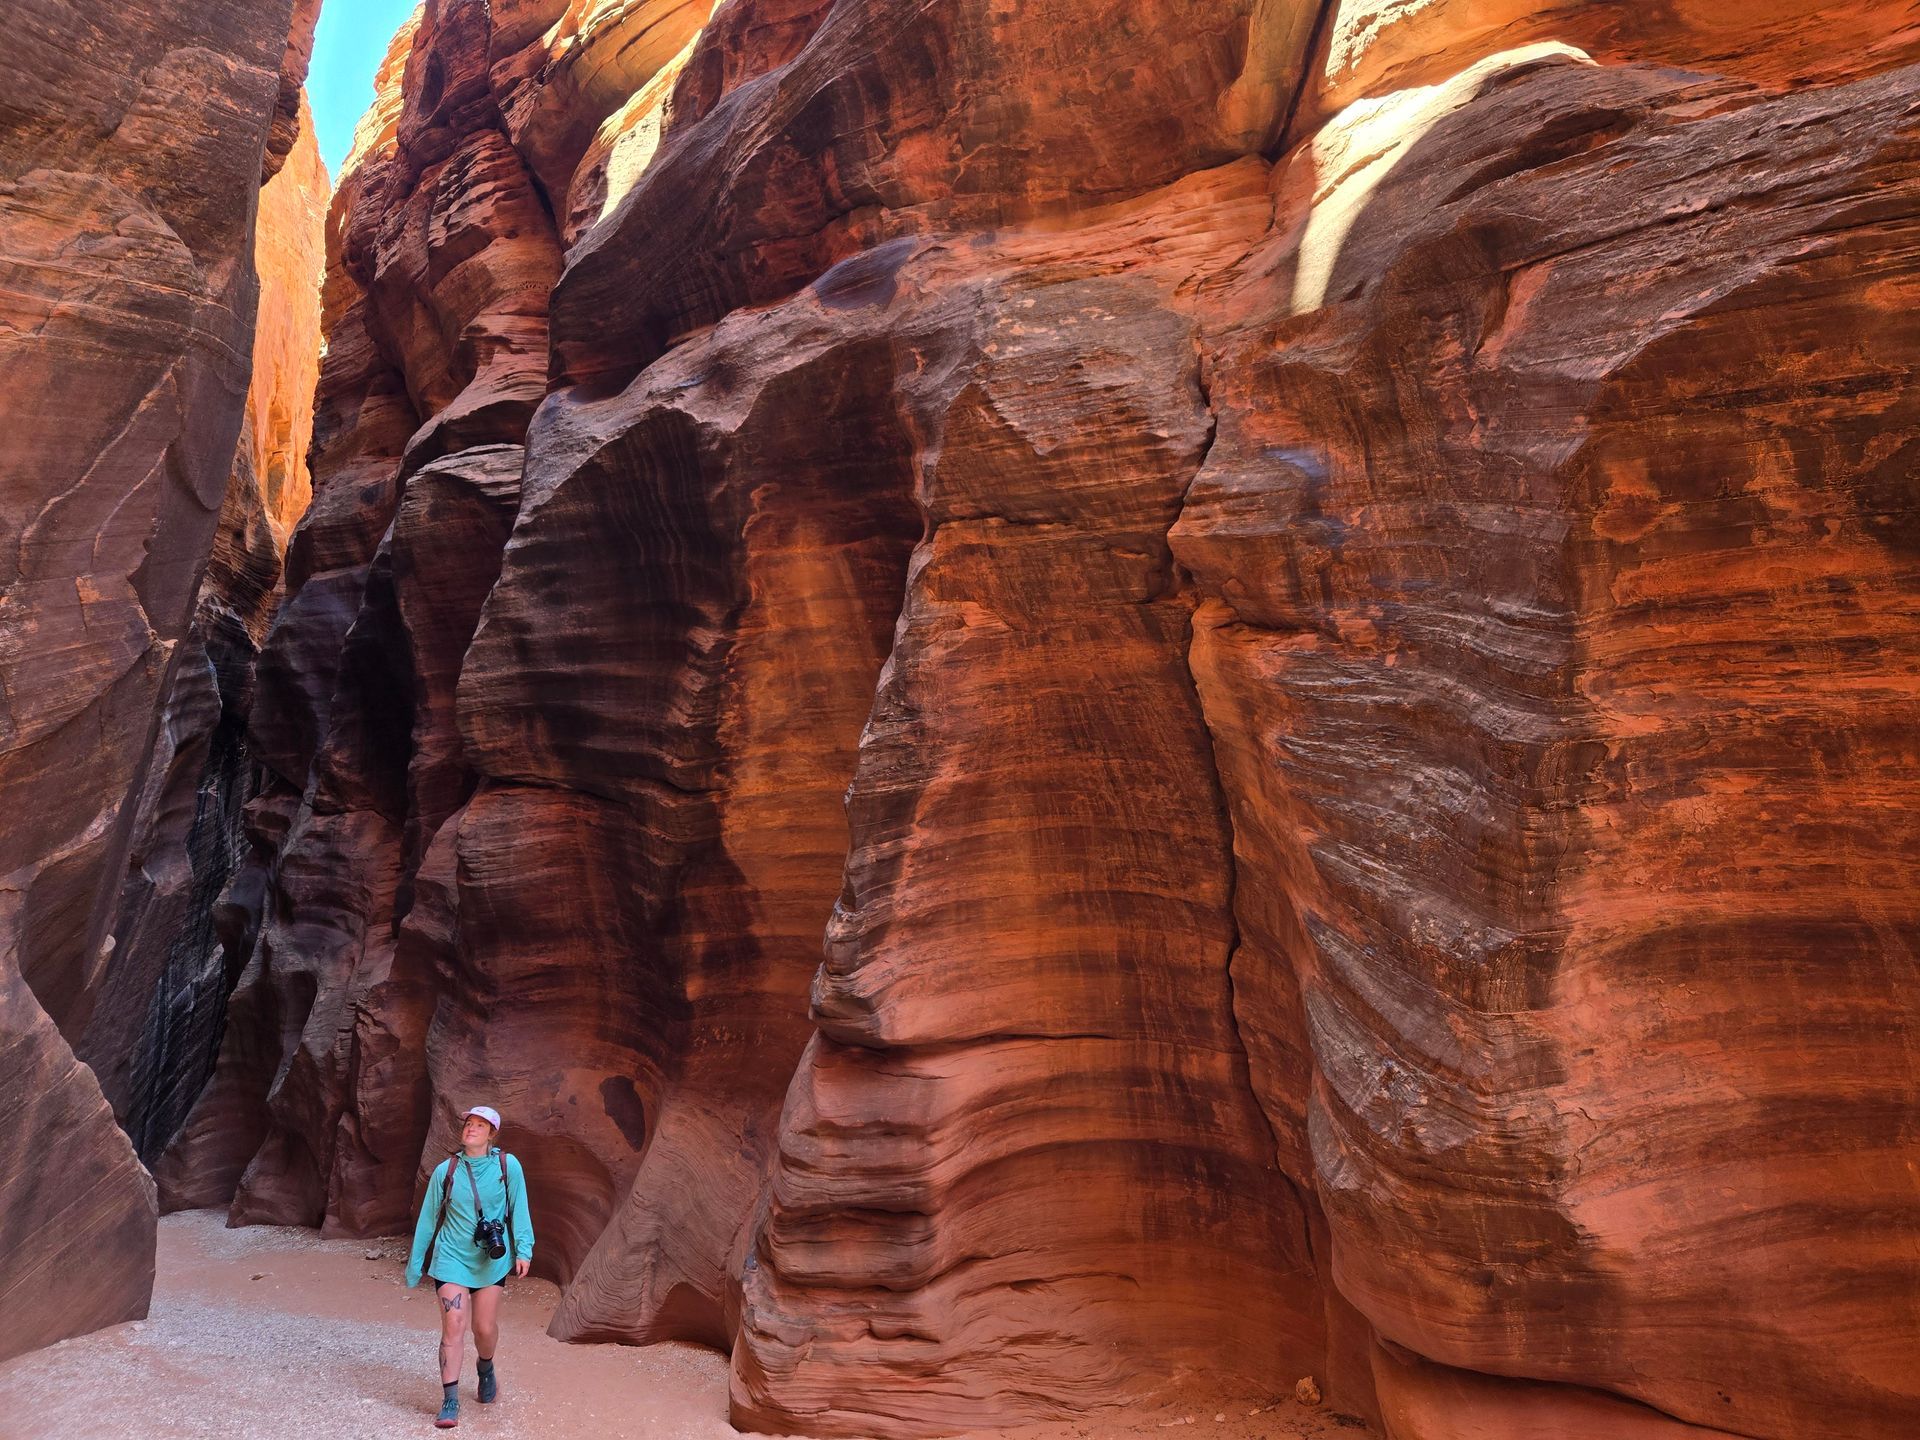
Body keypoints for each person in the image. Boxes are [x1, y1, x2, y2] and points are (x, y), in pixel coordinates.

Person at [406, 1105, 535, 1429]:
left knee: (484, 1329)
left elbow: (519, 1207)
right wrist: (416, 1262)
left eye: (480, 1125)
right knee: (454, 1325)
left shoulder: (507, 1166)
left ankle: (486, 1368)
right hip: (451, 1259)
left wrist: (524, 1250)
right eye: (468, 1123)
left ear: (492, 1133)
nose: (471, 1128)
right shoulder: (445, 1171)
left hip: (490, 1263)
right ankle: (449, 1400)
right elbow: (427, 1218)